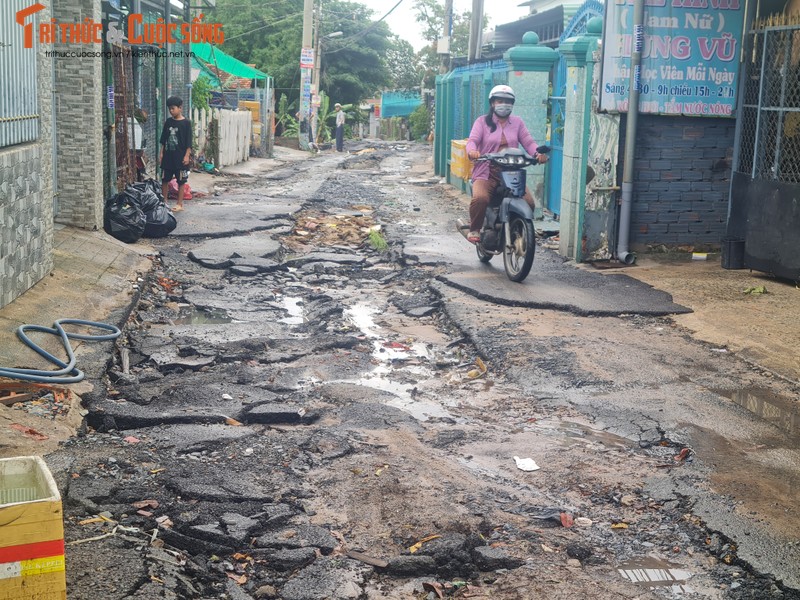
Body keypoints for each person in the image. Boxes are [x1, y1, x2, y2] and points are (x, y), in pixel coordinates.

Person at [465, 85, 547, 244]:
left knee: (529, 202)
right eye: (500, 101)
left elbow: (529, 142)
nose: (504, 104)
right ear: (492, 103)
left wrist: (537, 154)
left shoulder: (517, 123)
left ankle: (517, 228)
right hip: (487, 171)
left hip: (512, 172)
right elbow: (472, 141)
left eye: (508, 101)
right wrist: (473, 151)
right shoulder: (482, 122)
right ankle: (475, 228)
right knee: (480, 198)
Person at [159, 96, 193, 212]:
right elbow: (163, 139)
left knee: (181, 180)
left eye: (173, 108)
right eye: (169, 109)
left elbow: (189, 142)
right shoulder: (168, 122)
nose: (171, 111)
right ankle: (164, 202)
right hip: (168, 157)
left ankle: (179, 203)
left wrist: (187, 155)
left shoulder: (186, 123)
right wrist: (161, 153)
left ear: (180, 108)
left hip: (181, 157)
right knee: (165, 179)